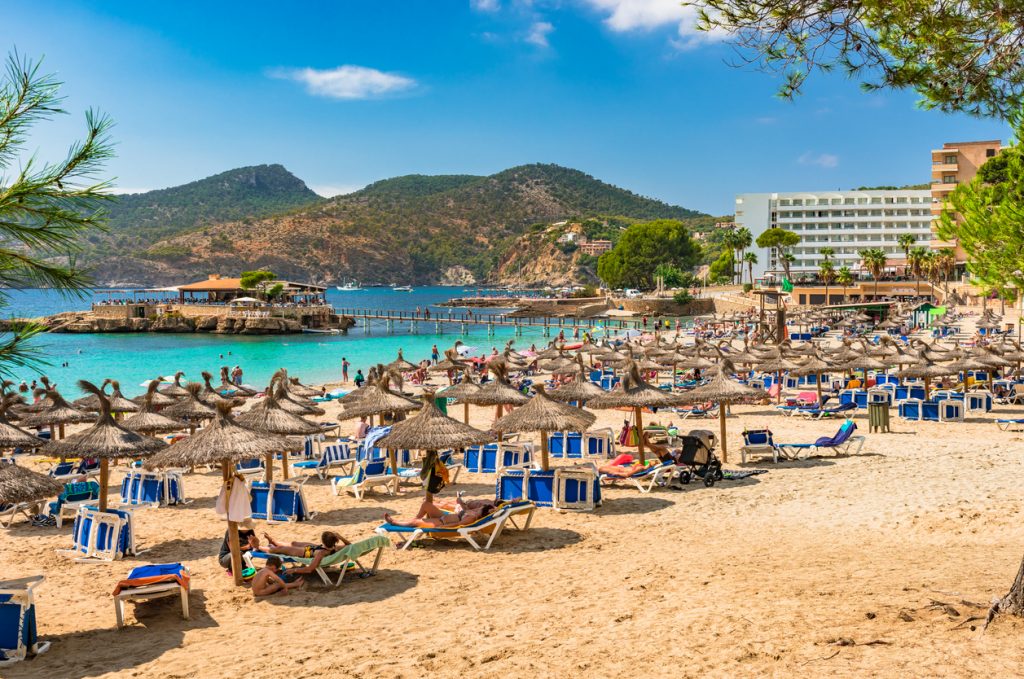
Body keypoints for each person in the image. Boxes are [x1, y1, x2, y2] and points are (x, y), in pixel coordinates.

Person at [384, 494, 498, 528]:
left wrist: (443, 527)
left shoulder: (472, 518)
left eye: (482, 507)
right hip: (443, 516)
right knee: (426, 504)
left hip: (442, 522)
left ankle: (395, 522)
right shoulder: (474, 512)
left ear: (483, 511)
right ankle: (416, 518)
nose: (480, 506)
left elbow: (458, 524)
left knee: (416, 523)